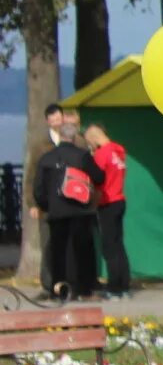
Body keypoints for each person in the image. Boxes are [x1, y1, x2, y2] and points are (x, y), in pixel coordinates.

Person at [33, 105, 101, 301]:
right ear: (73, 137)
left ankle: (59, 290)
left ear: (60, 135)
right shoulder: (82, 156)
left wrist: (47, 206)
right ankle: (84, 289)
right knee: (83, 251)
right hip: (81, 210)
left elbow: (38, 188)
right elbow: (98, 176)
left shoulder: (47, 158)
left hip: (57, 212)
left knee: (58, 251)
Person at [83, 122, 131, 297]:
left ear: (94, 139)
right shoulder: (119, 150)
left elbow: (98, 178)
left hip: (107, 201)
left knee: (109, 247)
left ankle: (114, 287)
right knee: (119, 245)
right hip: (120, 198)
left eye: (90, 142)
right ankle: (124, 285)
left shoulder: (102, 154)